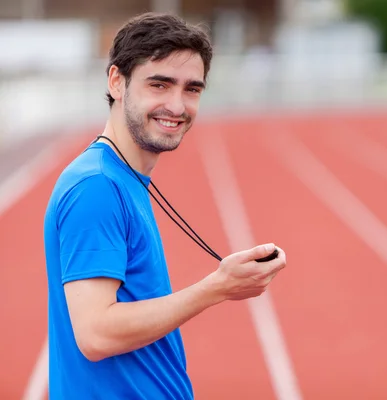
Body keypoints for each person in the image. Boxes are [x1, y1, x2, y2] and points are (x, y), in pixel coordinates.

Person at [43, 12, 286, 399]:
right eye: (160, 84)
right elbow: (96, 333)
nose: (177, 105)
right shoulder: (97, 186)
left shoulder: (124, 176)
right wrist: (217, 288)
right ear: (116, 81)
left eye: (192, 89)